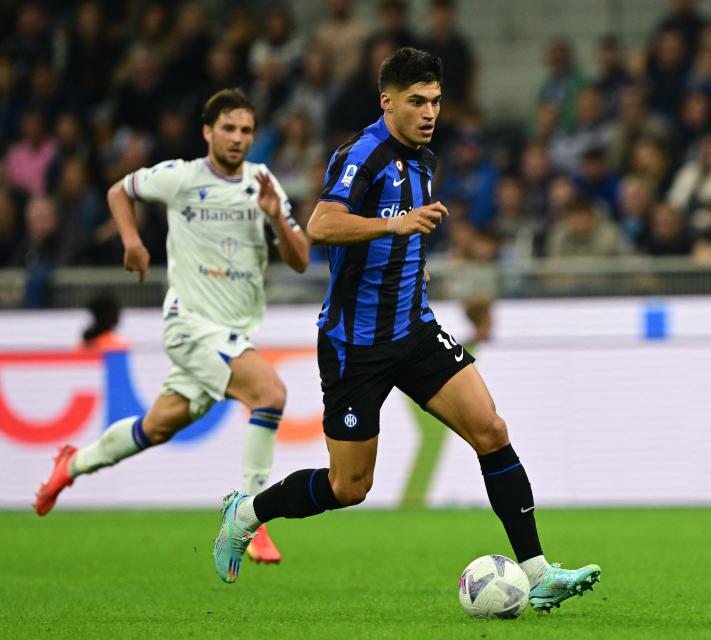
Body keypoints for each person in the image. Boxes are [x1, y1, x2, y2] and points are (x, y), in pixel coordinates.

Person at [212, 48, 601, 612]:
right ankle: (247, 513)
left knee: (490, 429)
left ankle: (538, 572)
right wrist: (394, 224)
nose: (428, 113)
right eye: (416, 101)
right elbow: (320, 223)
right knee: (350, 488)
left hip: (415, 331)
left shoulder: (423, 160)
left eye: (436, 102)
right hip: (355, 345)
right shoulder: (363, 153)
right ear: (386, 101)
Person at [34, 89, 310, 566]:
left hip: (234, 333)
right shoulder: (181, 177)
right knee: (270, 394)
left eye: (246, 130)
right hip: (189, 325)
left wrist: (275, 220)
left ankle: (71, 463)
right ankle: (251, 519)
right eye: (228, 128)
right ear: (208, 131)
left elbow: (301, 258)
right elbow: (119, 190)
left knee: (157, 426)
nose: (238, 138)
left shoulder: (263, 184)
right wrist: (132, 241)